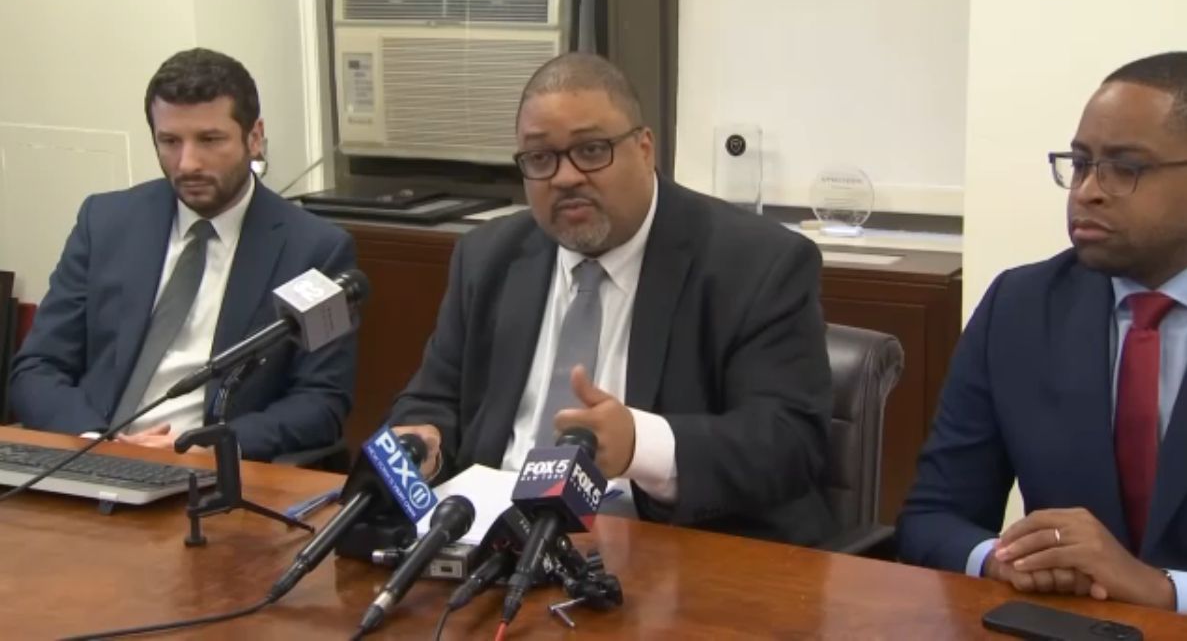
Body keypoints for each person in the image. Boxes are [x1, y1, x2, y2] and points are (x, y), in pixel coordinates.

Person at [385, 53, 834, 545]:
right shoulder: (487, 256)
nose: (565, 177)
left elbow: (789, 441)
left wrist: (640, 445)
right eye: (541, 158)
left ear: (644, 149)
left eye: (592, 150)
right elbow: (432, 400)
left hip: (668, 550)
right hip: (494, 541)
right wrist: (423, 441)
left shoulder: (755, 263)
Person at [897, 52, 1187, 611]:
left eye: (1125, 167)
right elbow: (932, 518)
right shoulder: (1020, 306)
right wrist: (1004, 558)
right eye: (1080, 164)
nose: (1087, 191)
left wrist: (1164, 590)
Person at [10, 48, 358, 461]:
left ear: (255, 137)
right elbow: (38, 367)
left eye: (209, 140)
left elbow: (320, 403)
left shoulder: (314, 250)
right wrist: (95, 442)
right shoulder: (105, 223)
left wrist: (206, 447)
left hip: (204, 470)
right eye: (170, 141)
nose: (187, 163)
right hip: (91, 456)